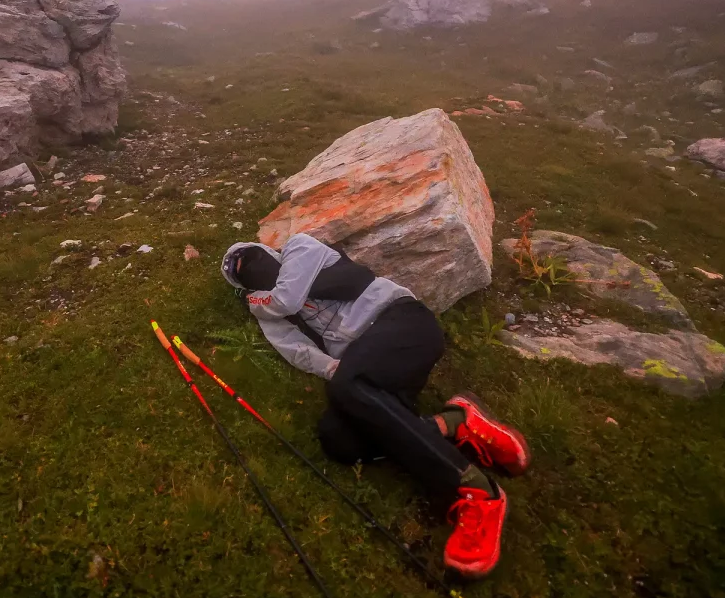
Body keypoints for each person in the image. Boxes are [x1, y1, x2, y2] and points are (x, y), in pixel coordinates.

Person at [221, 233, 531, 579]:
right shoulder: (269, 314)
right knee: (336, 438)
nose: (253, 271)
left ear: (266, 251)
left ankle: (473, 488)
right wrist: (335, 369)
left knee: (346, 386)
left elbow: (288, 300)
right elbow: (296, 350)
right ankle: (454, 423)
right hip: (369, 370)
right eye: (243, 275)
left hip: (403, 324)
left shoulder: (299, 248)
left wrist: (256, 302)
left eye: (253, 259)